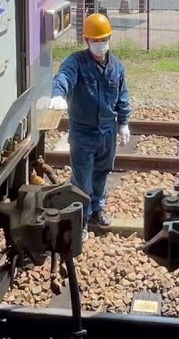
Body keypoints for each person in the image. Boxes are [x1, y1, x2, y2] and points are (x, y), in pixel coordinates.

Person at [46, 13, 130, 231]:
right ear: (87, 41)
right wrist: (58, 94)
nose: (100, 44)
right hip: (83, 132)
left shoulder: (117, 67)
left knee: (101, 173)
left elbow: (122, 96)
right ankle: (80, 218)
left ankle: (97, 209)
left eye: (104, 39)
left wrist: (124, 123)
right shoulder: (76, 62)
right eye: (96, 40)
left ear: (110, 38)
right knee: (82, 178)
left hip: (107, 131)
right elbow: (64, 77)